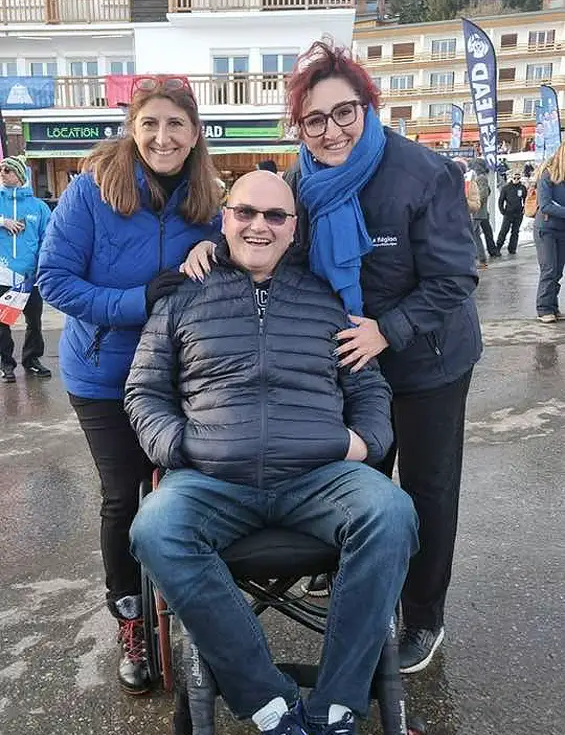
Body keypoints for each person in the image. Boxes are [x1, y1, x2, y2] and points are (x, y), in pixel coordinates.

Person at [125, 170, 418, 735]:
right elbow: (143, 393)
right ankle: (273, 712)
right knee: (155, 528)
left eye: (275, 217)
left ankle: (336, 714)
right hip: (212, 481)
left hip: (317, 477)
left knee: (390, 513)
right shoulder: (181, 301)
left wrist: (359, 443)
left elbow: (370, 394)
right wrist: (184, 448)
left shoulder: (323, 301)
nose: (259, 226)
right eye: (246, 213)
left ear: (293, 229)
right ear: (224, 219)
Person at [182, 41, 482, 676]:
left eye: (344, 113)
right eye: (314, 120)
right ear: (300, 127)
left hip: (425, 360)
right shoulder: (300, 181)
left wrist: (388, 329)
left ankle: (423, 614)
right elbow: (267, 226)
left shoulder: (423, 174)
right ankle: (353, 562)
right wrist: (214, 247)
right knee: (358, 471)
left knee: (427, 489)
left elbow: (455, 278)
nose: (331, 130)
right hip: (342, 360)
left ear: (368, 107)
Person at [36, 79, 222, 694]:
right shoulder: (92, 191)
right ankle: (131, 619)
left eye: (175, 125)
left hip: (178, 375)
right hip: (103, 374)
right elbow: (54, 280)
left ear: (195, 133)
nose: (162, 138)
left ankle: (207, 607)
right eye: (150, 124)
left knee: (195, 486)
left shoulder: (209, 200)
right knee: (123, 495)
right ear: (132, 127)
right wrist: (135, 300)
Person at [0, 155, 52, 383]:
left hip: (30, 277)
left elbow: (49, 238)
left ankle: (31, 360)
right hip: (2, 274)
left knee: (34, 322)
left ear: (20, 176)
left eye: (7, 170)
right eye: (1, 169)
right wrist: (3, 221)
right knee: (2, 323)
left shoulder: (38, 207)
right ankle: (6, 364)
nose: (2, 173)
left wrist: (40, 265)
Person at [534, 141, 565, 324]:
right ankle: (544, 308)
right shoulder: (547, 175)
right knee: (549, 268)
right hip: (546, 229)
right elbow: (545, 205)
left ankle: (552, 306)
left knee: (558, 270)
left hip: (562, 229)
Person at [469, 158, 500, 263]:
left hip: (478, 211)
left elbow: (484, 194)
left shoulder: (481, 178)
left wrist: (476, 202)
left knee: (474, 233)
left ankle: (480, 255)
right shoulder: (480, 178)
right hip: (480, 211)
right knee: (479, 233)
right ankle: (483, 254)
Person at [497, 170, 526, 255]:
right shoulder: (506, 188)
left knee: (515, 231)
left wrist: (524, 208)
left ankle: (512, 248)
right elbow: (501, 201)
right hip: (508, 213)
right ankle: (498, 247)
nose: (516, 179)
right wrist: (502, 211)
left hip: (518, 213)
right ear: (511, 178)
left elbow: (525, 199)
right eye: (514, 178)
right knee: (504, 230)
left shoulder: (522, 188)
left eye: (518, 178)